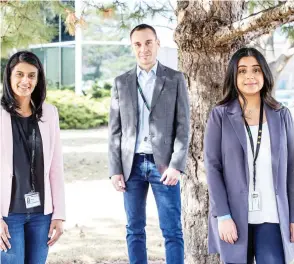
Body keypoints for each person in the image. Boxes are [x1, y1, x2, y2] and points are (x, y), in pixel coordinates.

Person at [108, 24, 190, 264]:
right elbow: (115, 131)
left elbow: (184, 127)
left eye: (148, 42)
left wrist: (177, 164)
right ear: (133, 47)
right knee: (134, 229)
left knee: (172, 230)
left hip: (164, 166)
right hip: (131, 165)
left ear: (157, 44)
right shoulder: (121, 82)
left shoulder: (174, 79)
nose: (143, 49)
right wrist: (115, 170)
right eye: (138, 44)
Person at [204, 47, 294, 264]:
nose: (250, 76)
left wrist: (293, 217)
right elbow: (213, 167)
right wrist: (223, 216)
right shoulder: (220, 115)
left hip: (273, 217)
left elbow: (292, 168)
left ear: (264, 73)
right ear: (233, 76)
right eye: (242, 71)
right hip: (234, 217)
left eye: (256, 70)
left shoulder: (282, 115)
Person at [0, 51, 66, 263]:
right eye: (19, 74)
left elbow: (56, 166)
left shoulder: (49, 113)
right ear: (9, 76)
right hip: (8, 215)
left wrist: (59, 214)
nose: (25, 81)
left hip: (42, 214)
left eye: (32, 75)